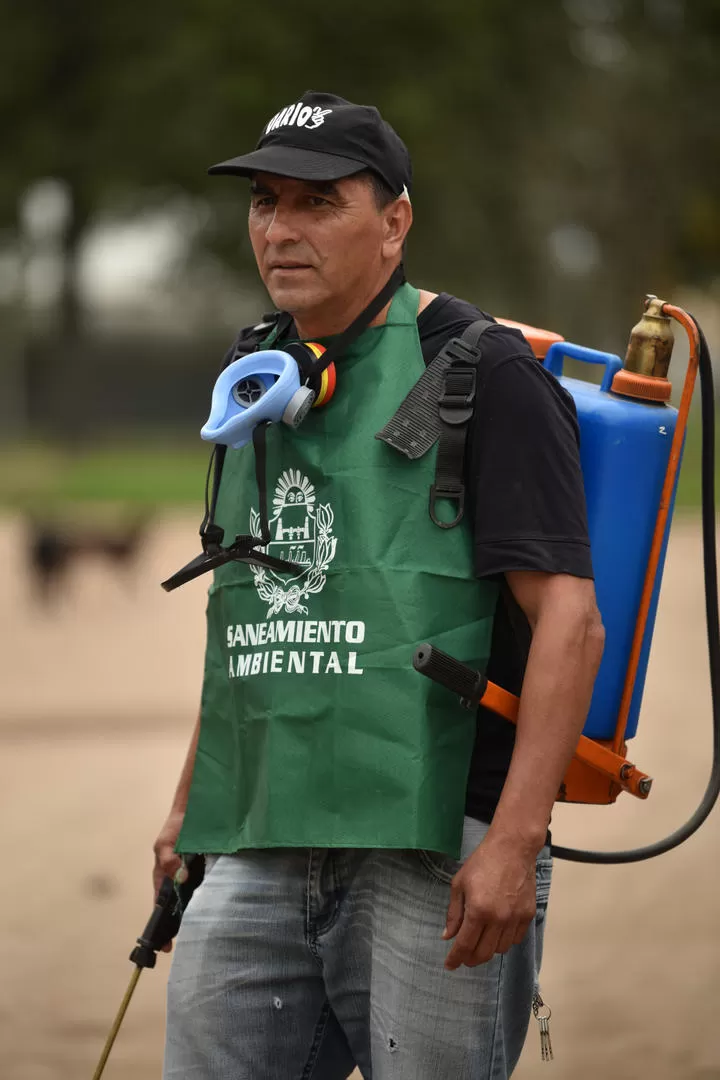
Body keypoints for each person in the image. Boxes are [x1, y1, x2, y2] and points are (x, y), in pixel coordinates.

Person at [155, 90, 604, 1079]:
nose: (281, 229)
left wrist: (515, 843)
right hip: (265, 830)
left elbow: (569, 620)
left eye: (319, 203)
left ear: (394, 222)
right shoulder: (254, 381)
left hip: (440, 839)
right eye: (267, 202)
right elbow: (250, 612)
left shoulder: (488, 374)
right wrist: (193, 803)